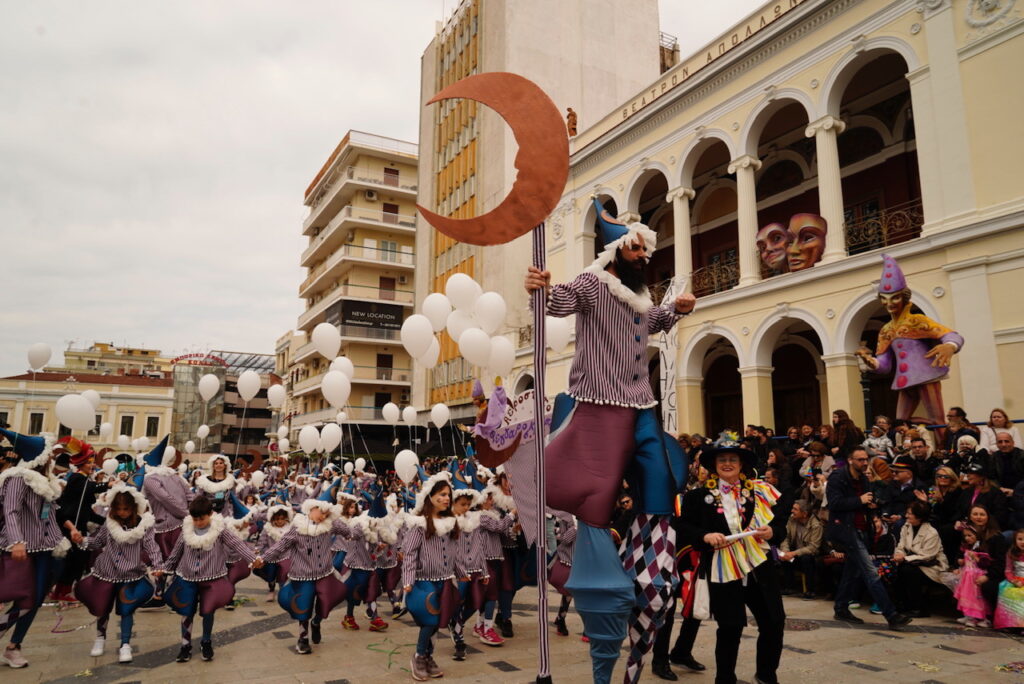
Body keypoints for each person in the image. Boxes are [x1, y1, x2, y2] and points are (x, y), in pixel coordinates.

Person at [679, 441, 785, 684]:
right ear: (715, 466)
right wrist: (704, 536)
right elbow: (683, 527)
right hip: (722, 568)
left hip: (759, 566)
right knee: (730, 627)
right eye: (722, 460)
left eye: (733, 460)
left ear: (741, 465)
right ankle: (725, 679)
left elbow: (780, 525)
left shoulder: (759, 492)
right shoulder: (698, 496)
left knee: (774, 621)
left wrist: (772, 533)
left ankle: (767, 675)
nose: (728, 464)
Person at [856, 254, 964, 427]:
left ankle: (943, 448)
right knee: (900, 423)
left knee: (937, 422)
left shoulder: (917, 321)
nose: (889, 303)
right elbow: (885, 365)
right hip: (904, 380)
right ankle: (917, 434)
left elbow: (951, 335)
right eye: (885, 298)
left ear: (904, 297)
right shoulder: (886, 330)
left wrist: (949, 346)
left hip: (926, 376)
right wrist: (871, 362)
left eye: (895, 297)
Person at [0, 429, 72, 669]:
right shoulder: (18, 478)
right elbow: (11, 511)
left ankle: (14, 646)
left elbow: (50, 514)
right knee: (23, 597)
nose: (52, 457)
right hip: (22, 547)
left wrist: (63, 537)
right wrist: (16, 541)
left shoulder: (47, 480)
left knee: (36, 597)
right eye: (49, 452)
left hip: (47, 547)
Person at [163, 495, 262, 663]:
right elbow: (176, 552)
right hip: (187, 576)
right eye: (195, 519)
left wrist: (252, 558)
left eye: (202, 519)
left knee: (208, 610)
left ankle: (206, 641)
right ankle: (185, 644)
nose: (198, 522)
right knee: (186, 612)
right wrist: (165, 570)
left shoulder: (220, 529)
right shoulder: (186, 529)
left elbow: (236, 544)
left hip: (212, 576)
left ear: (210, 514)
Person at [825, 446, 912, 629]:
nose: (864, 463)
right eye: (860, 460)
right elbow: (834, 503)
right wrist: (860, 501)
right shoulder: (838, 477)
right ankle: (892, 615)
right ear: (850, 460)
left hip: (862, 528)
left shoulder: (864, 479)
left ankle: (841, 607)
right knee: (870, 572)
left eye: (866, 459)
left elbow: (865, 502)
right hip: (846, 530)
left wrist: (872, 508)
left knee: (851, 572)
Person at [74, 486, 163, 663]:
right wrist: (82, 540)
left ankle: (125, 644)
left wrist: (158, 565)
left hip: (131, 574)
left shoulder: (143, 526)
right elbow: (97, 542)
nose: (122, 513)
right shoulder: (109, 523)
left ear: (133, 508)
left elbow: (152, 547)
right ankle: (100, 638)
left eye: (126, 509)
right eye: (118, 509)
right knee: (103, 607)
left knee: (127, 609)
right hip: (106, 571)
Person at [261, 498, 350, 655]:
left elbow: (348, 532)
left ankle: (317, 622)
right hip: (302, 575)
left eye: (326, 513)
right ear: (311, 508)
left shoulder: (330, 525)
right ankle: (303, 638)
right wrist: (263, 558)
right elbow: (281, 546)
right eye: (321, 512)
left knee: (326, 602)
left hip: (324, 573)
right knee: (303, 604)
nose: (323, 516)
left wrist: (333, 517)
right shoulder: (297, 527)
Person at [402, 473, 467, 681]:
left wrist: (461, 572)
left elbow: (454, 554)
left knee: (439, 620)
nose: (447, 498)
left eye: (448, 494)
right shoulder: (420, 525)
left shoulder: (450, 524)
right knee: (429, 620)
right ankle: (419, 656)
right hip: (423, 582)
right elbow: (410, 554)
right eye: (441, 494)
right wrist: (408, 580)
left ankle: (428, 656)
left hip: (445, 581)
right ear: (430, 497)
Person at [892, 500, 948, 617]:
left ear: (919, 517)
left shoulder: (931, 533)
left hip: (931, 566)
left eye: (909, 513)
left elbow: (927, 556)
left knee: (908, 571)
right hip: (911, 562)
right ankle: (903, 604)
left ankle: (919, 608)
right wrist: (898, 554)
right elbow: (901, 545)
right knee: (899, 569)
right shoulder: (906, 526)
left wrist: (905, 558)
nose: (906, 516)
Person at [779, 500, 823, 599]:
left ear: (804, 514)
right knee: (781, 555)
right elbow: (786, 537)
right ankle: (789, 587)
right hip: (795, 553)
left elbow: (813, 548)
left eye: (795, 509)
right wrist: (785, 551)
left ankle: (810, 591)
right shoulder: (792, 519)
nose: (792, 511)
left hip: (811, 556)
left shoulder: (816, 525)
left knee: (806, 558)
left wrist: (793, 553)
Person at [953, 525, 993, 627]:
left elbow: (986, 564)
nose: (967, 538)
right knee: (967, 596)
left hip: (976, 576)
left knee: (977, 598)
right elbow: (963, 560)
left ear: (977, 535)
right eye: (965, 536)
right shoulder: (966, 547)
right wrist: (960, 562)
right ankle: (968, 615)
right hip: (967, 576)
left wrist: (976, 558)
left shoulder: (982, 548)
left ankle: (981, 618)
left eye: (970, 535)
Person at [254, 504, 293, 602]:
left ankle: (283, 592)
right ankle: (271, 589)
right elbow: (262, 541)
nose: (279, 521)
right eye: (277, 519)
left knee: (284, 574)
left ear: (286, 518)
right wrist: (257, 550)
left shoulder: (290, 529)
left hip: (285, 556)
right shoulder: (267, 528)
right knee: (270, 575)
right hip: (270, 557)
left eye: (282, 519)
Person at [994, 529, 1024, 630]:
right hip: (1016, 579)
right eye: (1020, 539)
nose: (1023, 542)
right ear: (1015, 540)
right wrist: (1014, 581)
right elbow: (1008, 570)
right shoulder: (1011, 553)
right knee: (1005, 589)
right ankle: (1010, 623)